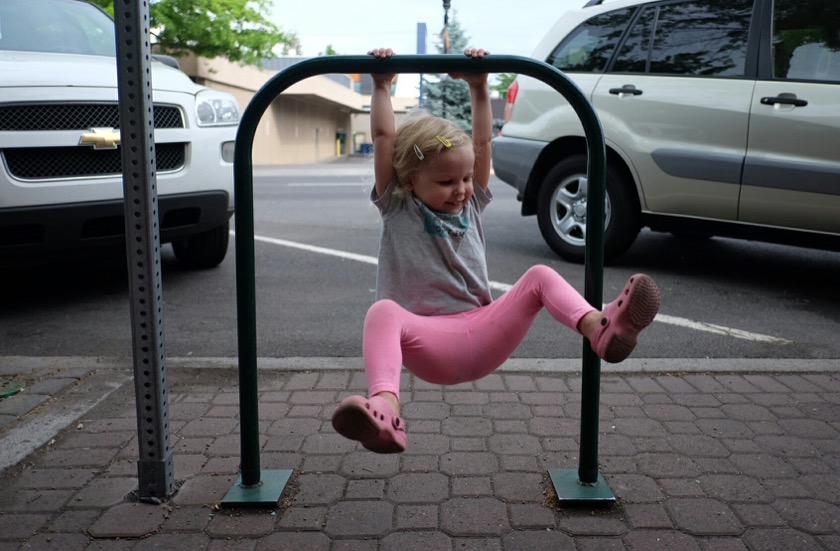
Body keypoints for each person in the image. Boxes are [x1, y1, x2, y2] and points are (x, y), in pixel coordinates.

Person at [331, 47, 660, 454]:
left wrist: (479, 85)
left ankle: (599, 328)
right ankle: (386, 411)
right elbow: (384, 137)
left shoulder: (472, 204)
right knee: (382, 312)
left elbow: (483, 139)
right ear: (410, 181)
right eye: (447, 181)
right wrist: (381, 83)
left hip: (487, 332)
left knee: (539, 276)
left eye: (466, 178)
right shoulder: (397, 206)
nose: (461, 190)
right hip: (430, 344)